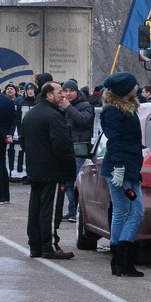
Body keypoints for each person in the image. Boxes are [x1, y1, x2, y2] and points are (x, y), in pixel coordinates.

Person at [20, 81, 76, 260]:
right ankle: (49, 246)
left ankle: (35, 246)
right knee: (50, 210)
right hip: (52, 171)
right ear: (49, 95)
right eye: (60, 92)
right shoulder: (54, 116)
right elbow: (62, 146)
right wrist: (68, 172)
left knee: (35, 208)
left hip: (35, 170)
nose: (63, 95)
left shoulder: (30, 115)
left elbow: (23, 142)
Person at [101, 71, 144, 276]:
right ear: (125, 90)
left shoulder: (129, 108)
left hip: (131, 168)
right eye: (134, 85)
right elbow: (114, 140)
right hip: (121, 168)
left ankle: (121, 261)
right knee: (125, 212)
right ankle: (121, 261)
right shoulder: (112, 112)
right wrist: (118, 166)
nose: (138, 87)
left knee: (134, 211)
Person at [61, 79, 94, 225]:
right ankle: (72, 210)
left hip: (79, 150)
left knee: (77, 183)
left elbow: (83, 121)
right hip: (65, 149)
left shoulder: (85, 105)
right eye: (65, 91)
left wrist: (68, 108)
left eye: (71, 91)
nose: (68, 94)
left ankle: (79, 211)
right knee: (67, 183)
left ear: (77, 91)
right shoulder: (60, 106)